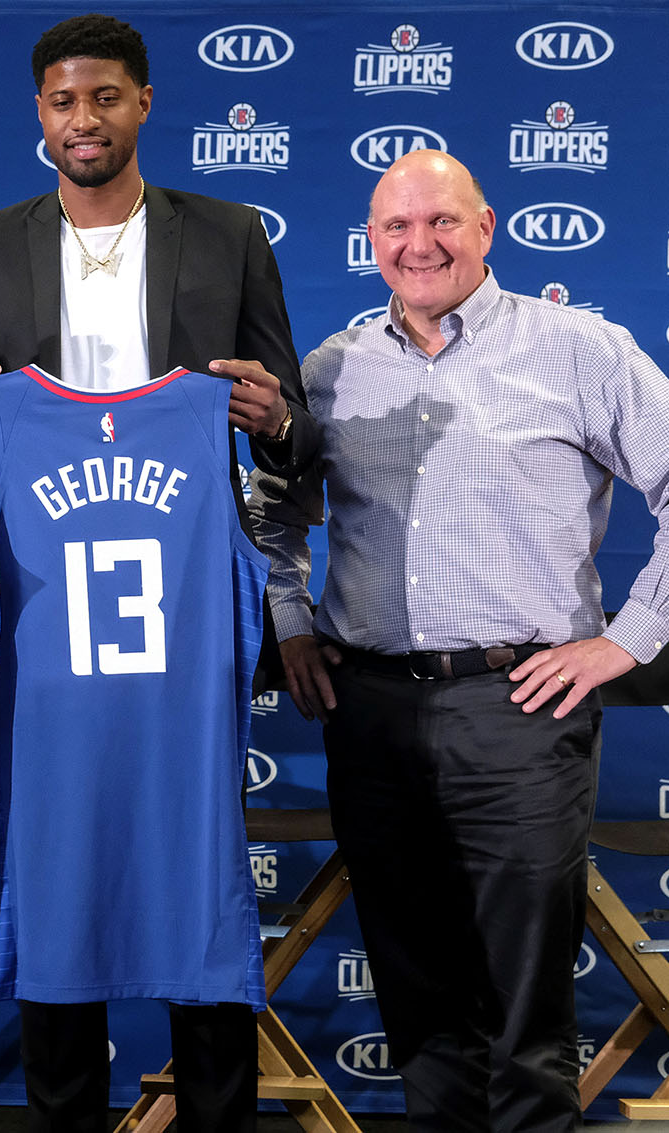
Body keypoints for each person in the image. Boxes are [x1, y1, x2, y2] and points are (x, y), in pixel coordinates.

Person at [0, 14, 320, 1131]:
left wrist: (274, 415)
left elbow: (291, 435)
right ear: (36, 114)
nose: (79, 120)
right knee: (54, 856)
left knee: (193, 846)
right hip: (43, 607)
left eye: (101, 98)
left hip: (181, 604)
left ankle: (216, 1111)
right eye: (58, 101)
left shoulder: (227, 234)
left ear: (140, 103)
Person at [248, 148, 669, 1132]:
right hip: (369, 709)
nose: (417, 243)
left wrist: (627, 638)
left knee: (523, 1013)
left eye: (440, 221)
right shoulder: (330, 368)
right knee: (415, 1001)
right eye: (394, 227)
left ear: (486, 228)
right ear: (369, 241)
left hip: (519, 708)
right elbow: (276, 511)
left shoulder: (578, 349)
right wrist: (290, 620)